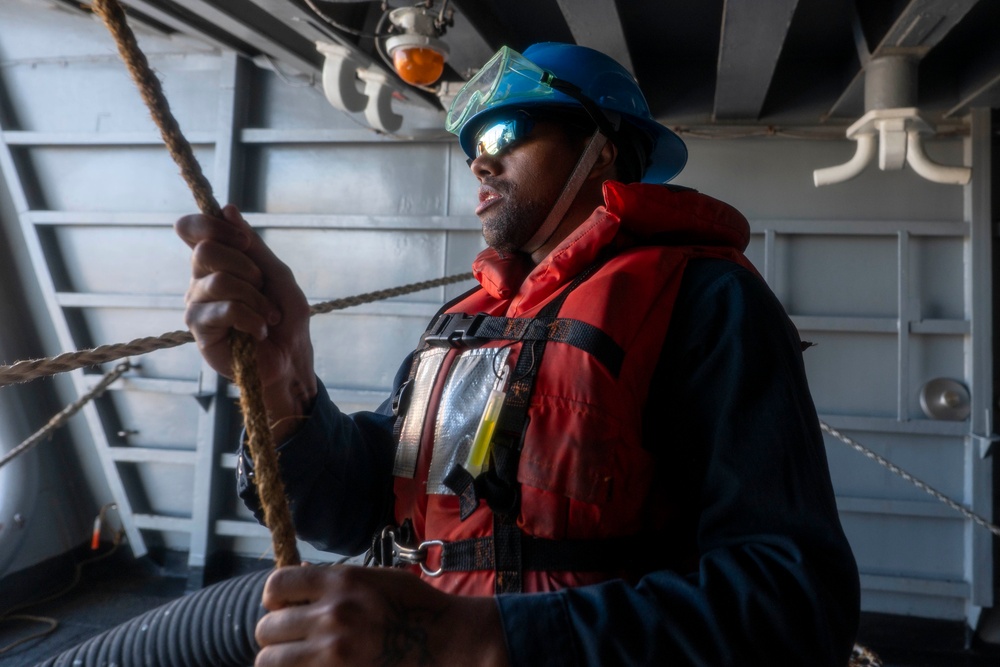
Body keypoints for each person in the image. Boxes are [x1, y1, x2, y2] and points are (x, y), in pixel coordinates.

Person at [176, 43, 860, 666]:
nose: (479, 159)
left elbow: (793, 605)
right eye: (472, 141)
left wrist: (469, 638)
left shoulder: (707, 301)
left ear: (603, 148)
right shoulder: (466, 319)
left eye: (505, 132)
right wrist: (284, 381)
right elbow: (356, 507)